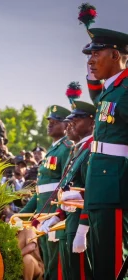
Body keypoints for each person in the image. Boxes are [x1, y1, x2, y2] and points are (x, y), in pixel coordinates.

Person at [81, 27, 128, 279]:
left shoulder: (125, 90)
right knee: (101, 266)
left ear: (115, 55)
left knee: (112, 266)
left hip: (116, 187)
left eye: (96, 54)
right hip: (100, 186)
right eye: (89, 54)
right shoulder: (109, 91)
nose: (90, 60)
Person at [41, 100, 96, 280]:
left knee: (79, 274)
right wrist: (57, 215)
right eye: (71, 119)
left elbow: (91, 192)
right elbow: (66, 187)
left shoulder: (90, 149)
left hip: (80, 222)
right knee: (69, 273)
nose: (71, 124)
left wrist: (82, 228)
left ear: (92, 123)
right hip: (69, 220)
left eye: (77, 119)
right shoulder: (78, 150)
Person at [20, 105, 73, 280]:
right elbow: (40, 192)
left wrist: (57, 215)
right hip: (43, 217)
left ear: (66, 125)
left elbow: (67, 183)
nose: (50, 124)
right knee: (49, 264)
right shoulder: (54, 149)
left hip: (56, 217)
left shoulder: (67, 148)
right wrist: (21, 216)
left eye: (55, 122)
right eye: (49, 121)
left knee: (57, 266)